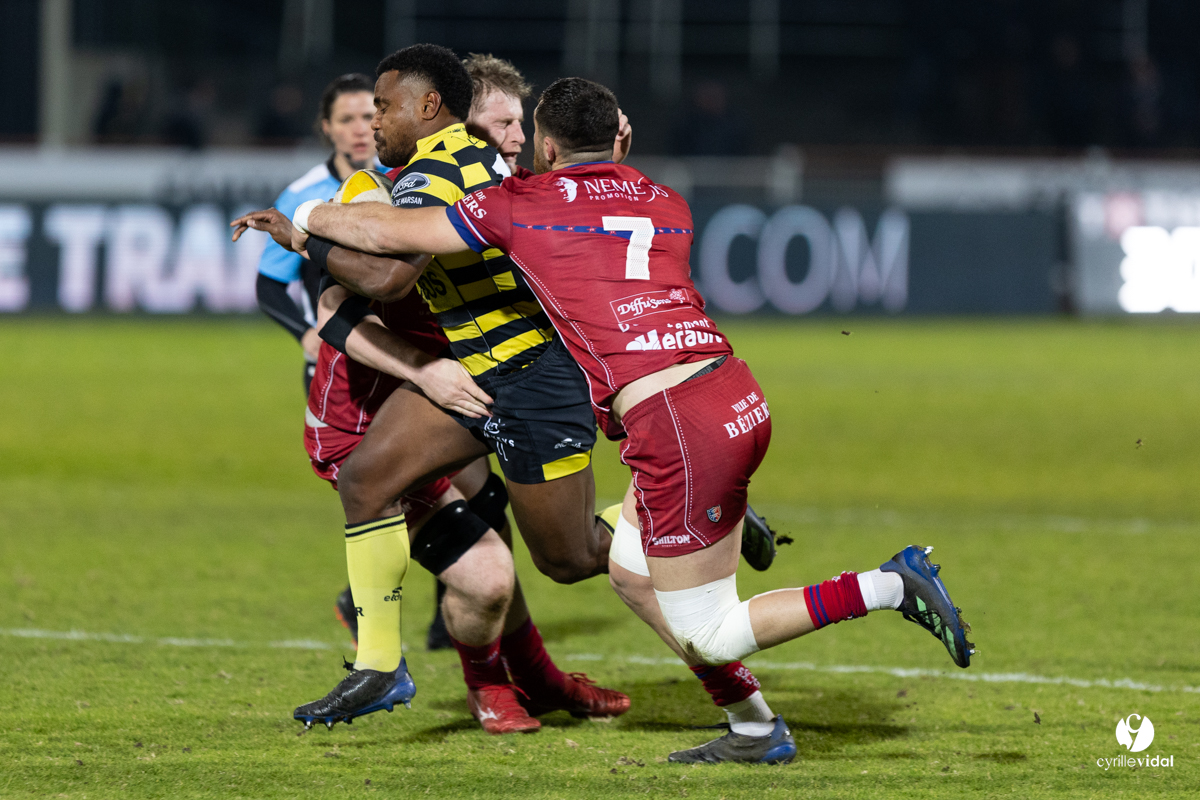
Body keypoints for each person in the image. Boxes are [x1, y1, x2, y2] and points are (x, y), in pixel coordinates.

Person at [253, 76, 977, 764]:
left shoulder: (521, 206)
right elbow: (601, 188)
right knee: (631, 576)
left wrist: (306, 221)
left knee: (707, 629)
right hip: (733, 394)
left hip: (674, 426)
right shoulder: (665, 202)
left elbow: (392, 240)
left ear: (546, 146)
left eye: (520, 128)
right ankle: (755, 727)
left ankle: (890, 584)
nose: (510, 140)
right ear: (619, 139)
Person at [298, 276, 628, 733]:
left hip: (449, 400)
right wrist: (424, 371)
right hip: (365, 433)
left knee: (495, 506)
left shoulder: (481, 248)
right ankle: (486, 686)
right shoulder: (389, 244)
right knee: (488, 581)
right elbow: (335, 307)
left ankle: (537, 678)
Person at [256, 74, 378, 396]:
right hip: (333, 363)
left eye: (368, 116)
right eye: (346, 119)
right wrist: (305, 334)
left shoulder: (403, 181)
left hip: (399, 357)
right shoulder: (300, 195)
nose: (360, 129)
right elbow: (268, 284)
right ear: (327, 127)